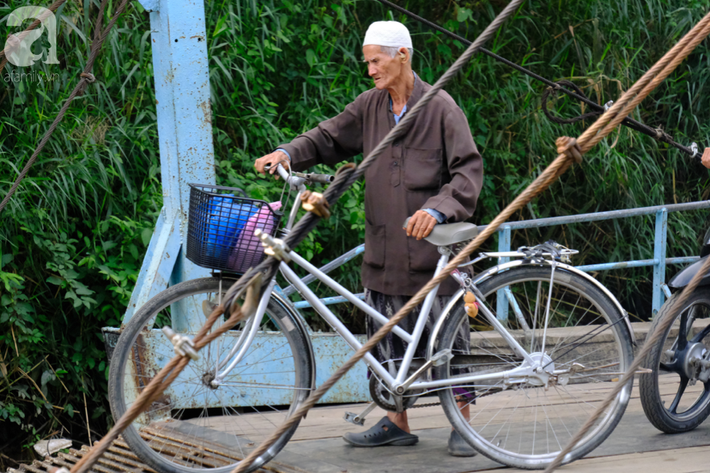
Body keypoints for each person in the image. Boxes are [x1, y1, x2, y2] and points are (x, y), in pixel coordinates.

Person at [254, 20, 483, 456]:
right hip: (384, 246)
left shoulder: (441, 108)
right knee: (386, 336)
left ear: (403, 56)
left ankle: (463, 424)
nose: (371, 70)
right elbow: (328, 135)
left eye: (376, 61)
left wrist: (436, 208)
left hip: (433, 248)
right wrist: (288, 151)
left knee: (448, 339)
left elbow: (468, 172)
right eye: (367, 62)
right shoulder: (370, 106)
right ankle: (397, 420)